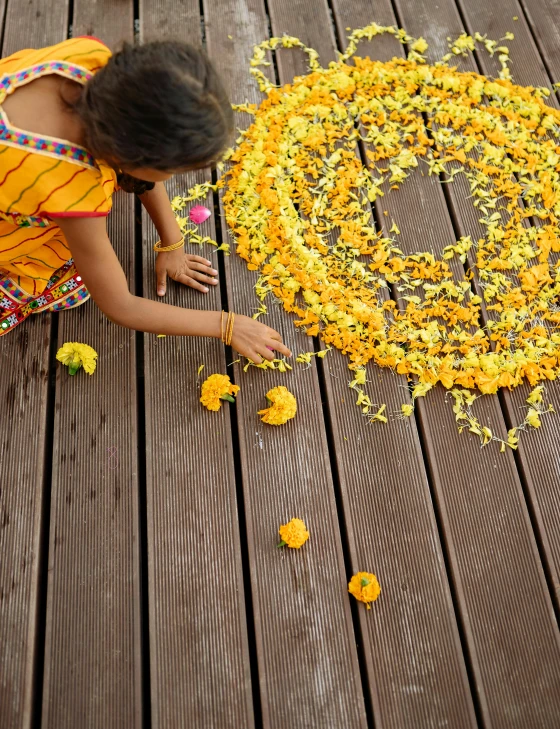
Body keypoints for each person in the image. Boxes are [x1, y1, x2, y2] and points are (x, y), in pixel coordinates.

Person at [0, 36, 291, 363]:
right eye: (171, 170)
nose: (171, 179)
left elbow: (138, 163)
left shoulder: (95, 61)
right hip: (14, 201)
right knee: (74, 280)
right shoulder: (72, 193)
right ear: (132, 156)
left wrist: (173, 242)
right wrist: (227, 325)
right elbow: (121, 306)